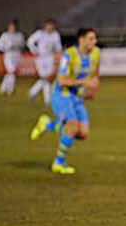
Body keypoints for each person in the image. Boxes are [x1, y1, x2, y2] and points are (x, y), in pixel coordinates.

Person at [29, 28, 100, 175]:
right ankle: (58, 163)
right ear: (81, 40)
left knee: (83, 133)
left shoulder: (96, 53)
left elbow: (95, 73)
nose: (94, 42)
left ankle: (47, 124)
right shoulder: (69, 55)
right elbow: (61, 80)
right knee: (72, 127)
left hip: (77, 97)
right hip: (62, 95)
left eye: (95, 39)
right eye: (91, 39)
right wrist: (86, 82)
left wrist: (92, 89)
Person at [27, 18, 63, 104]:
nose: (50, 27)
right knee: (45, 78)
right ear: (46, 26)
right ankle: (38, 94)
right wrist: (34, 51)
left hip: (50, 57)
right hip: (40, 57)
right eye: (49, 25)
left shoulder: (55, 35)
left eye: (52, 25)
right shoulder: (40, 34)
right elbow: (30, 42)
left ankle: (44, 98)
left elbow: (58, 47)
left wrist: (60, 56)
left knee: (48, 78)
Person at [0, 19, 26, 96]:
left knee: (11, 72)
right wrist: (6, 47)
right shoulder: (5, 35)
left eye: (14, 26)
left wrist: (18, 46)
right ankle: (11, 89)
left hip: (17, 54)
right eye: (11, 26)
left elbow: (23, 44)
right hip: (8, 54)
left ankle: (3, 88)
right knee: (12, 71)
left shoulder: (19, 35)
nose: (13, 28)